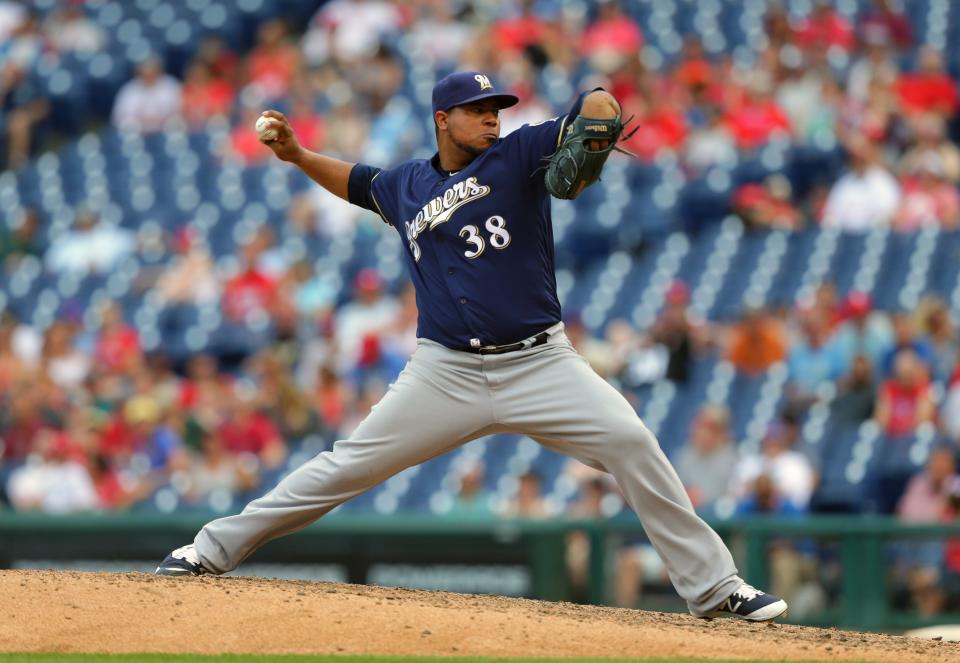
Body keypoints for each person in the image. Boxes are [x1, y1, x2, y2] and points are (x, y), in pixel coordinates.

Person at [155, 71, 787, 622]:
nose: (492, 118)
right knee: (346, 465)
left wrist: (595, 123)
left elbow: (594, 103)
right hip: (445, 373)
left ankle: (715, 589)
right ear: (442, 119)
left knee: (632, 443)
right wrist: (297, 155)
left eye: (497, 109)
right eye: (479, 110)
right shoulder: (404, 187)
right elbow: (354, 180)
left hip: (541, 364)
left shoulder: (518, 155)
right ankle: (209, 550)